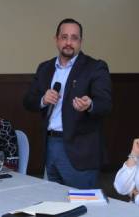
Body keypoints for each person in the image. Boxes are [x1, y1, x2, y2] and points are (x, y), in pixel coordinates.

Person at [23, 18, 112, 188]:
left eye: (74, 38)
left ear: (81, 41)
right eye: (64, 37)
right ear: (56, 39)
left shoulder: (95, 67)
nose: (69, 42)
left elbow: (105, 103)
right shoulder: (45, 68)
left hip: (80, 151)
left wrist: (90, 104)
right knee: (54, 204)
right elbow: (27, 101)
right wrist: (43, 99)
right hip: (50, 146)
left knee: (83, 205)